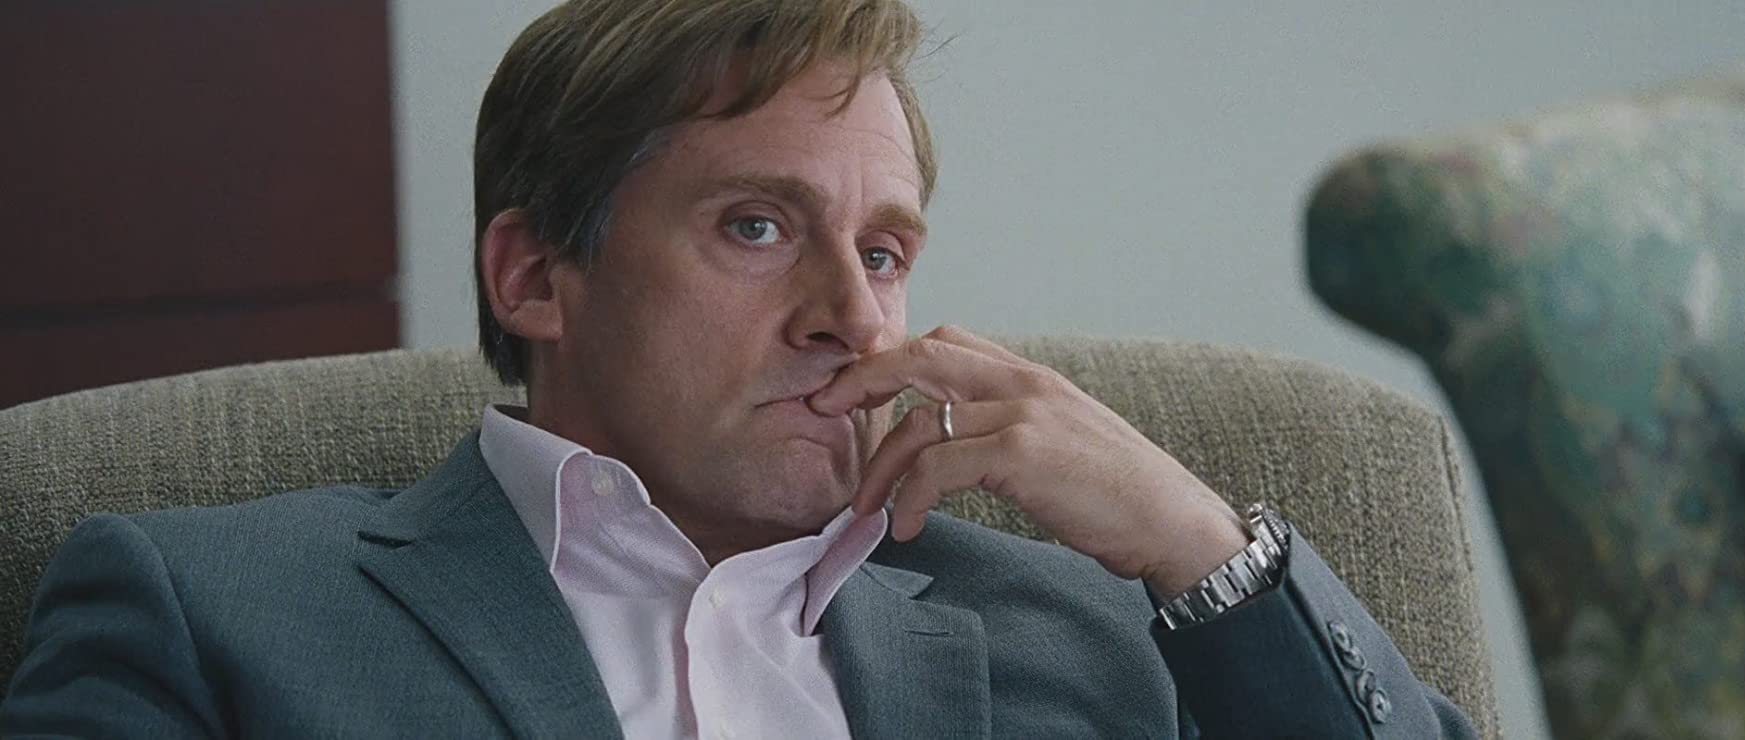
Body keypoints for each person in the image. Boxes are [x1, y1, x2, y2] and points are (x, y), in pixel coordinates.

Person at [1, 1, 1478, 737]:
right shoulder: (209, 608)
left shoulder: (1094, 628)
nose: (854, 318)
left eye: (884, 250)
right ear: (534, 277)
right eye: (757, 226)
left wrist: (1203, 550)